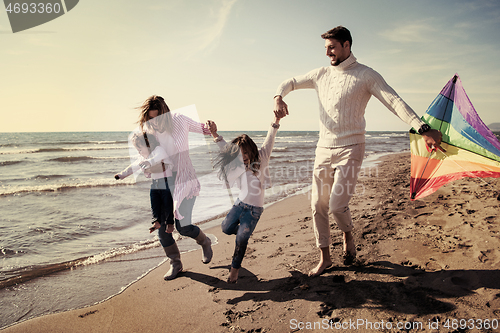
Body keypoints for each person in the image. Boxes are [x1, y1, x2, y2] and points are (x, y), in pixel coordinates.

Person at [273, 26, 442, 277]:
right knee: (317, 205)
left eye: (332, 47)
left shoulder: (366, 75)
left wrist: (422, 127)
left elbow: (393, 101)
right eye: (326, 48)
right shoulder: (320, 74)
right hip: (323, 148)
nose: (328, 52)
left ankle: (348, 237)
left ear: (347, 45)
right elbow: (291, 82)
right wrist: (279, 96)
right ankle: (325, 258)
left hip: (352, 147)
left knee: (337, 204)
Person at [137, 95, 214, 280]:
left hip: (184, 181)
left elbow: (204, 129)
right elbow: (143, 155)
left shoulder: (180, 120)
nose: (153, 124)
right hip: (161, 184)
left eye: (156, 119)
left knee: (183, 227)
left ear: (165, 114)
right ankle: (176, 264)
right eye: (150, 119)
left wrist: (211, 127)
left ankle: (204, 241)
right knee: (162, 231)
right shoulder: (148, 129)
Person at [207, 109, 286, 283]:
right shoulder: (237, 162)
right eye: (239, 154)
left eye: (245, 153)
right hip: (239, 204)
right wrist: (214, 133)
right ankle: (244, 232)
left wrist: (276, 119)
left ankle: (234, 271)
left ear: (251, 151)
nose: (242, 157)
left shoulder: (262, 158)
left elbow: (270, 137)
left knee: (241, 239)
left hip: (254, 211)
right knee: (225, 228)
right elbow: (224, 147)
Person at [115, 132, 175, 233]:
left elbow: (159, 156)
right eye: (137, 150)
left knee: (167, 202)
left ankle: (170, 223)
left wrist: (149, 162)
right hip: (155, 183)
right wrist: (122, 175)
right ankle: (156, 221)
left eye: (140, 149)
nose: (139, 152)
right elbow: (134, 166)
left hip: (166, 181)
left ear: (148, 144)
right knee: (154, 201)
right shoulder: (143, 158)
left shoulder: (158, 150)